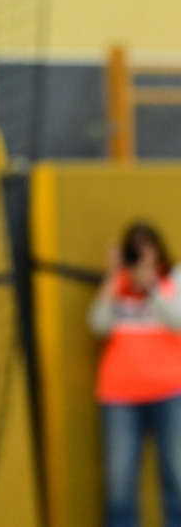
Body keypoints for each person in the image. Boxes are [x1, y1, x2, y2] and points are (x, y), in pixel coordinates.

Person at [88, 221, 181, 527]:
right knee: (119, 482)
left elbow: (176, 321)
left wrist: (151, 285)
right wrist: (114, 278)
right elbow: (98, 324)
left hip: (169, 391)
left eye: (147, 247)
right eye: (135, 249)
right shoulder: (119, 285)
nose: (141, 255)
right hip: (120, 395)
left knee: (177, 477)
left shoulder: (173, 280)